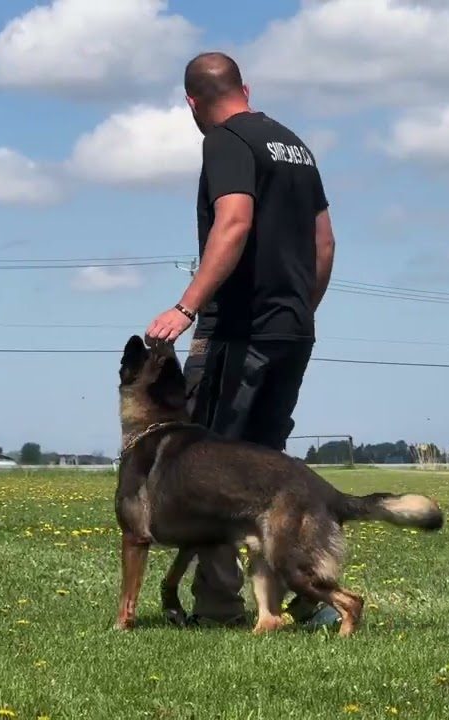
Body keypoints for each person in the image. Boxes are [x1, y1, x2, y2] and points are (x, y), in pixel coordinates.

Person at [144, 51, 338, 627]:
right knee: (271, 472)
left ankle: (219, 606)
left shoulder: (226, 141)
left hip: (239, 329)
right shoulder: (293, 145)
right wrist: (300, 310)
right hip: (291, 330)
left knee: (210, 468)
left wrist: (188, 305)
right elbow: (324, 243)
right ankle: (306, 594)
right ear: (245, 88)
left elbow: (233, 221)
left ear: (192, 102)